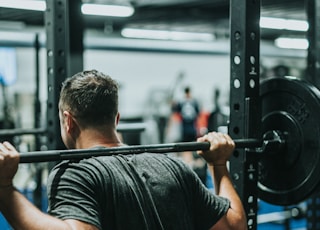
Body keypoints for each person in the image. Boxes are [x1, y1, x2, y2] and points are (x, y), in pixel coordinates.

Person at [0, 70, 246, 230]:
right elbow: (235, 226)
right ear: (116, 119)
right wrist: (218, 164)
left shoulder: (77, 174)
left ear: (68, 121)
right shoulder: (174, 166)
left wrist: (5, 189)